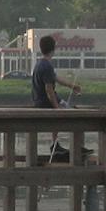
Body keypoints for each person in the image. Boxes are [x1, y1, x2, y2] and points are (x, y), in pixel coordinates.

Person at [30, 34, 80, 164]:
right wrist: (56, 107)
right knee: (76, 115)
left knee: (67, 108)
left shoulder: (40, 64)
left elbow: (55, 79)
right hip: (45, 102)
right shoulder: (47, 66)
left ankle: (55, 144)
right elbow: (49, 90)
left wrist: (72, 86)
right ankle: (73, 146)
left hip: (38, 100)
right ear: (53, 49)